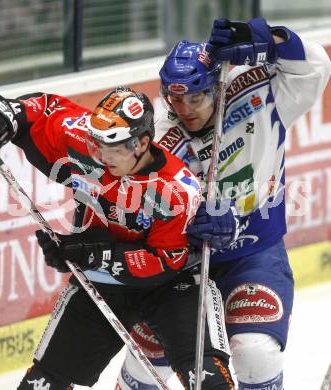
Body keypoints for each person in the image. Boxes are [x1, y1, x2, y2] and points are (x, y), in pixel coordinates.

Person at [0, 87, 236, 389]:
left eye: (113, 149)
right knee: (43, 382)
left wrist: (95, 254)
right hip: (103, 284)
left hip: (173, 286)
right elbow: (42, 109)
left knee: (209, 379)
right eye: (96, 145)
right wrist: (6, 114)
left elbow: (164, 261)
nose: (101, 157)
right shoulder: (88, 143)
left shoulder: (177, 190)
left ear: (142, 143)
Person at [115, 17, 331, 390]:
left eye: (195, 97)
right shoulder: (158, 137)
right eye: (175, 98)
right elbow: (134, 208)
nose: (184, 109)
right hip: (183, 267)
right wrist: (185, 227)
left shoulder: (257, 94)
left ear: (216, 86)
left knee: (255, 351)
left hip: (254, 254)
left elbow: (315, 66)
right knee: (146, 354)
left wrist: (269, 37)